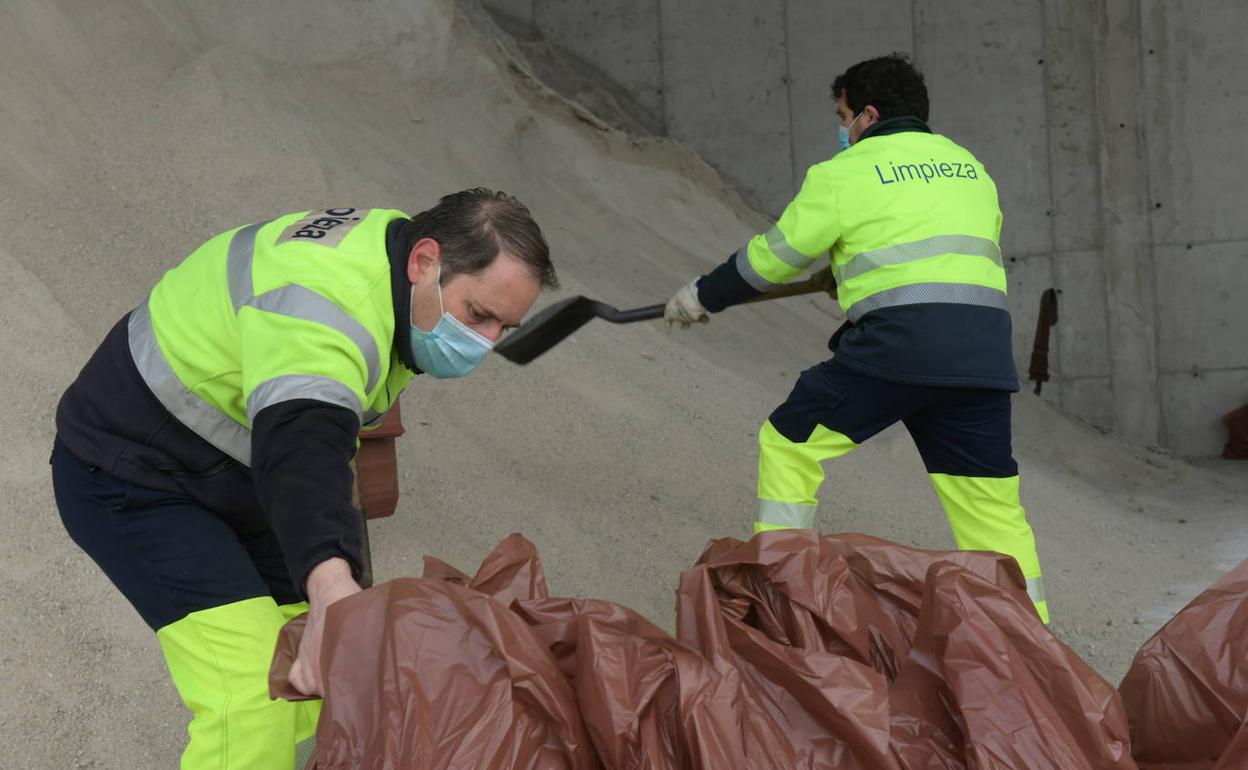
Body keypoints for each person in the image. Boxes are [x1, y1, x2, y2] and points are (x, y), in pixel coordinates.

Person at [51, 189, 557, 768]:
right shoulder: (329, 303)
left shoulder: (399, 261)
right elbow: (302, 445)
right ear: (425, 261)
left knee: (329, 669)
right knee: (251, 696)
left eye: (504, 328)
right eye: (477, 315)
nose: (485, 344)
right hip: (132, 475)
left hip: (234, 472)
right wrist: (331, 585)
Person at [664, 54, 1049, 624]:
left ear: (868, 115)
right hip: (981, 359)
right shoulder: (970, 167)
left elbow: (772, 260)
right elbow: (939, 258)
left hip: (898, 349)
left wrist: (702, 295)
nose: (842, 130)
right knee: (991, 512)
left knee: (790, 440)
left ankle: (781, 595)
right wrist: (846, 274)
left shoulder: (844, 173)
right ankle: (1036, 645)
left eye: (844, 117)